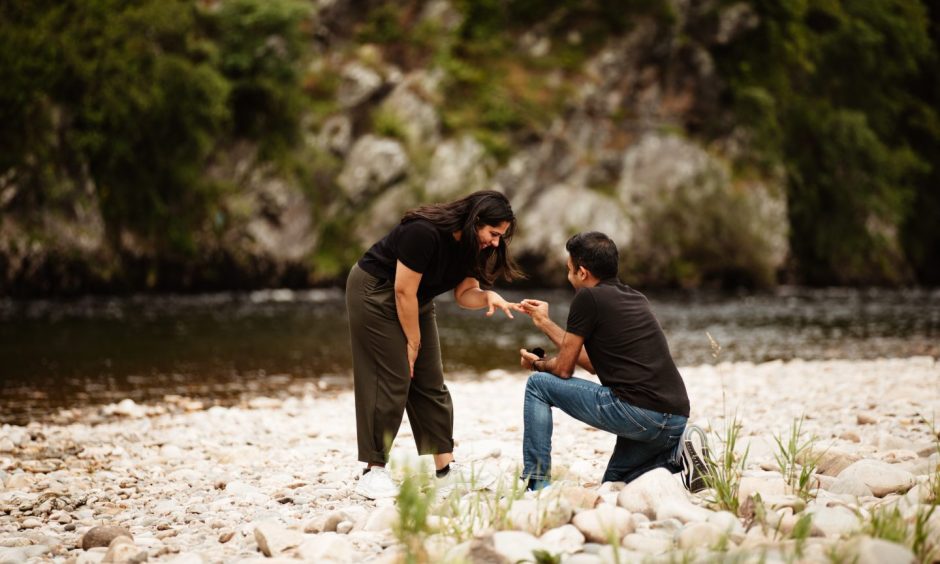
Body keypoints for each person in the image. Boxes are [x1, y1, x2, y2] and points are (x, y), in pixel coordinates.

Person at [347, 190, 525, 499]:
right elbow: (402, 289)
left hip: (416, 297)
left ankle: (445, 470)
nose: (496, 242)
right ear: (476, 221)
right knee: (393, 376)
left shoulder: (475, 245)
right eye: (493, 233)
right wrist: (413, 340)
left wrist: (487, 297)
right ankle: (372, 470)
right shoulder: (423, 233)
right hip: (375, 291)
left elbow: (465, 292)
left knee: (430, 379)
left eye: (501, 237)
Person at [517, 231, 707, 491]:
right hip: (674, 419)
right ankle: (677, 455)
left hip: (638, 413)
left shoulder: (587, 298)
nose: (568, 276)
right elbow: (594, 365)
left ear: (582, 272)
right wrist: (545, 323)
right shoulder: (635, 298)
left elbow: (563, 369)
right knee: (613, 484)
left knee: (538, 385)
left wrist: (538, 364)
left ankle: (536, 483)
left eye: (569, 269)